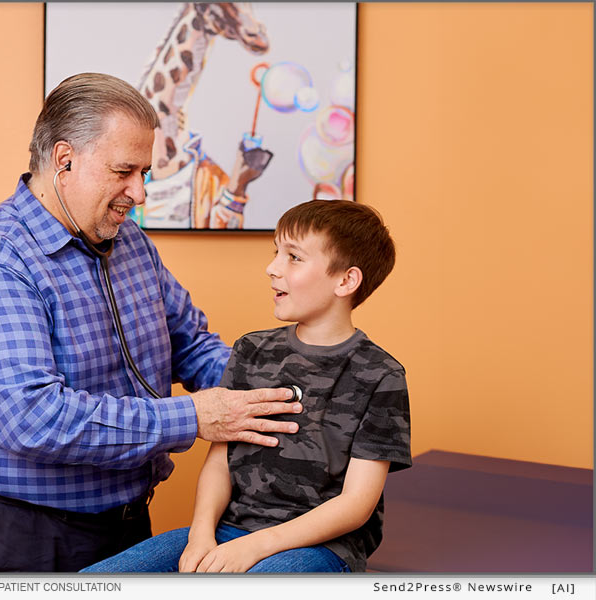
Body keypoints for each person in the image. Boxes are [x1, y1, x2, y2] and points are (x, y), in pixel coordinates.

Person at [0, 72, 303, 573]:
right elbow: (33, 419)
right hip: (17, 531)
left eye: (144, 172)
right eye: (125, 171)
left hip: (124, 525)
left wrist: (287, 385)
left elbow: (192, 345)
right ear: (64, 160)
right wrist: (195, 416)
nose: (139, 193)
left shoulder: (132, 245)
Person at [82, 199, 412, 573]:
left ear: (346, 280)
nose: (272, 268)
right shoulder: (251, 351)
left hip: (321, 548)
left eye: (294, 257)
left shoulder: (380, 375)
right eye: (276, 253)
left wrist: (254, 548)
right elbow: (220, 463)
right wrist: (201, 536)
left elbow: (357, 504)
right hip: (227, 530)